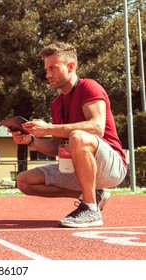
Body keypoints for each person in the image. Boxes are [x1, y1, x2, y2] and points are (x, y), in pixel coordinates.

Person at [11, 42, 127, 228]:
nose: (47, 74)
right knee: (24, 181)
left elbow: (97, 127)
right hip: (79, 168)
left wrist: (48, 128)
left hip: (110, 166)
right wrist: (31, 140)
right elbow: (57, 147)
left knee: (77, 136)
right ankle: (93, 196)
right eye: (46, 69)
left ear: (70, 66)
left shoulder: (89, 87)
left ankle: (90, 210)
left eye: (52, 68)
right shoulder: (57, 104)